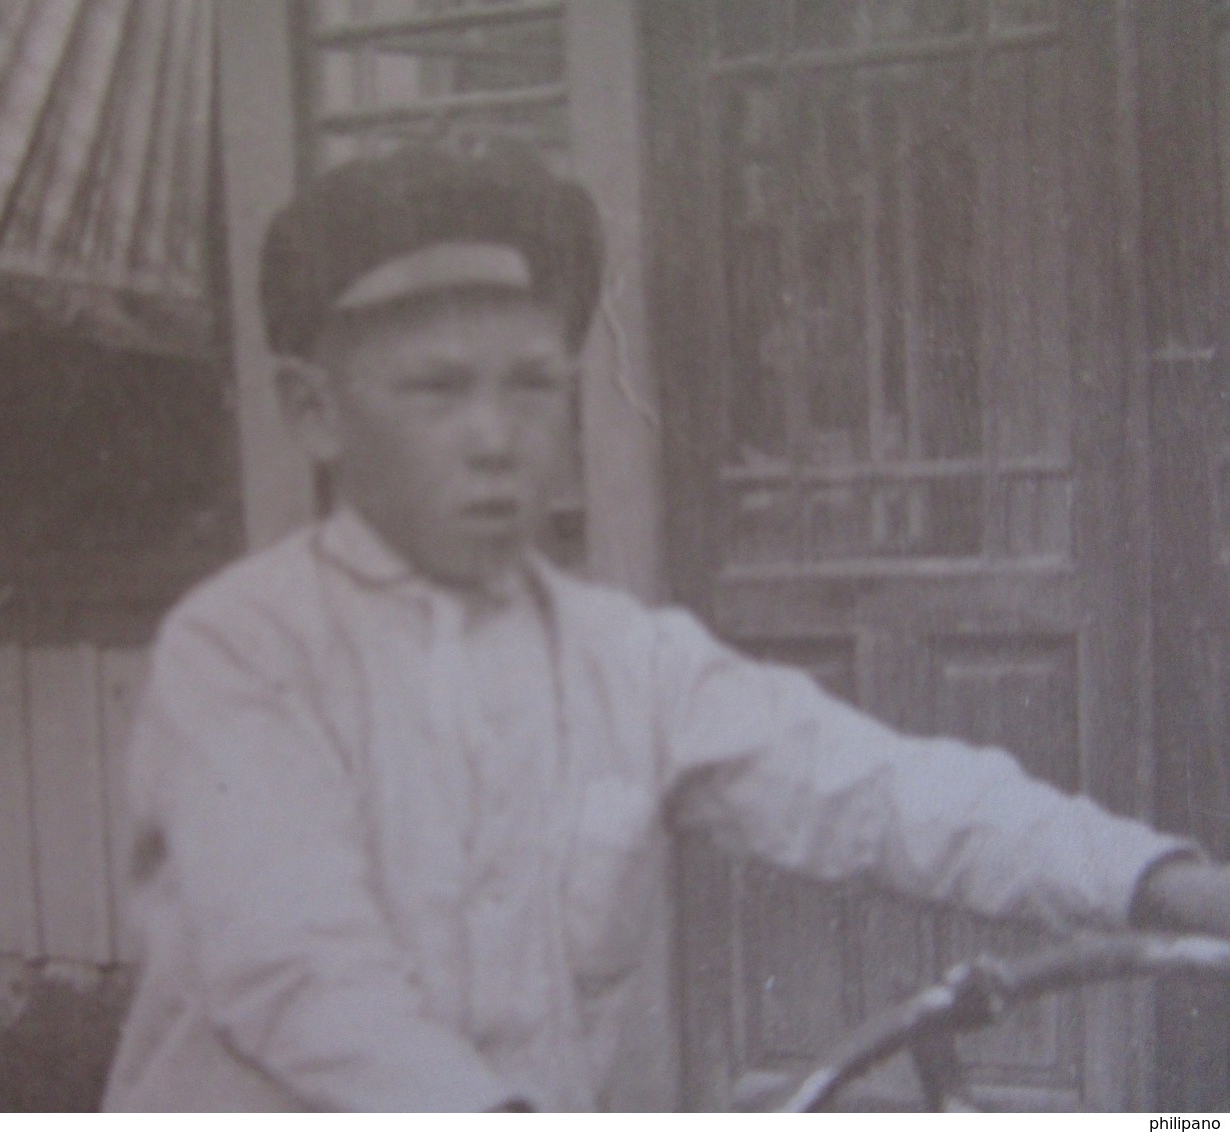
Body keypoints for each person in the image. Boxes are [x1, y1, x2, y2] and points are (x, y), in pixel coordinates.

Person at [102, 141, 1230, 1112]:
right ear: (313, 410)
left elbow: (879, 791)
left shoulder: (621, 662)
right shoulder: (240, 652)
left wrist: (1156, 883)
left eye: (533, 385)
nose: (495, 437)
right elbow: (299, 970)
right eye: (437, 391)